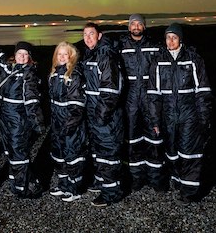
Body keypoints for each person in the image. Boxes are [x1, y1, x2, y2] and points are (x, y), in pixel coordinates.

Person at [146, 23, 212, 203]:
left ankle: (189, 191)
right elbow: (153, 95)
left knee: (189, 153)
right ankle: (177, 178)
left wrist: (203, 118)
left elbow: (203, 91)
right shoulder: (158, 61)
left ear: (180, 39)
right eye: (168, 37)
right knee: (172, 152)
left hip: (189, 115)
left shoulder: (193, 59)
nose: (171, 40)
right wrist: (155, 121)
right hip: (168, 116)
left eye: (174, 37)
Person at [119, 14, 166, 191]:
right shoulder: (121, 46)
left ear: (144, 27)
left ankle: (155, 178)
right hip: (130, 98)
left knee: (154, 138)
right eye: (133, 24)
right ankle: (136, 178)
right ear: (129, 27)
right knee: (132, 139)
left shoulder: (154, 46)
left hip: (150, 97)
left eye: (139, 24)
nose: (136, 26)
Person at [0, 41, 45, 198]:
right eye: (19, 53)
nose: (22, 57)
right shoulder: (9, 69)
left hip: (18, 120)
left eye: (25, 54)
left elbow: (32, 101)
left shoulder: (29, 75)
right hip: (4, 118)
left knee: (18, 153)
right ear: (14, 55)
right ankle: (25, 180)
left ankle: (21, 188)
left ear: (30, 57)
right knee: (10, 151)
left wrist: (38, 124)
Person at [81, 22, 124, 206]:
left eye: (91, 34)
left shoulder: (105, 56)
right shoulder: (91, 54)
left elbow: (110, 91)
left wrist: (100, 117)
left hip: (106, 118)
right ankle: (102, 181)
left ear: (99, 35)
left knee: (108, 153)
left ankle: (112, 192)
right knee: (98, 151)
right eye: (85, 34)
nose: (88, 37)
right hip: (94, 115)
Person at [48, 41, 88, 202]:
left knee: (73, 156)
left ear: (71, 56)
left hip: (71, 125)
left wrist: (69, 125)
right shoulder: (54, 74)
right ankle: (64, 185)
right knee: (59, 155)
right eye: (60, 54)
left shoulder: (74, 75)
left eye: (66, 54)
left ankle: (75, 189)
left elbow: (77, 105)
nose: (62, 57)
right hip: (57, 123)